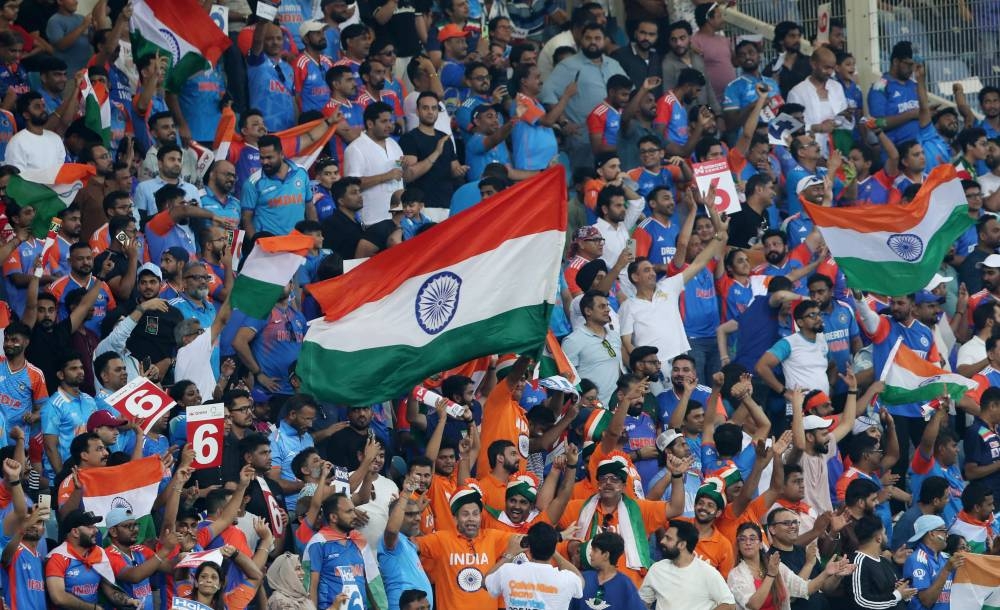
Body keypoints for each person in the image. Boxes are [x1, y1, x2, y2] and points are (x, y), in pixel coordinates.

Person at [727, 522, 853, 610]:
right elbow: (753, 605)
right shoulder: (735, 575)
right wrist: (771, 575)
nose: (747, 543)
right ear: (738, 545)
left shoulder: (777, 566)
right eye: (742, 539)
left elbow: (804, 588)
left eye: (752, 538)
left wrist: (827, 573)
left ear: (761, 544)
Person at [638, 519, 736, 610]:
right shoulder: (657, 569)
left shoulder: (707, 572)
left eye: (668, 538)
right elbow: (643, 602)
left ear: (682, 545)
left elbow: (729, 604)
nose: (662, 541)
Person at [343, 101, 404, 226]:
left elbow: (400, 178)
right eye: (384, 121)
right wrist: (385, 176)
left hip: (396, 218)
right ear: (370, 124)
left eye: (390, 121)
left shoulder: (394, 144)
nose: (389, 125)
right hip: (371, 220)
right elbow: (351, 186)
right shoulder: (355, 149)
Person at [847, 514, 917, 610]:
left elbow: (887, 593)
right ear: (878, 538)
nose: (886, 537)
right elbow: (860, 601)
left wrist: (901, 591)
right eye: (884, 533)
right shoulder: (858, 563)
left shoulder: (884, 561)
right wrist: (897, 595)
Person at [902, 514, 964, 610]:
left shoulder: (945, 558)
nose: (947, 535)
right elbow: (927, 601)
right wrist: (946, 570)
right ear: (932, 534)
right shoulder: (916, 560)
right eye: (944, 531)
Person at [572, 532, 645, 610]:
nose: (590, 554)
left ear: (606, 555)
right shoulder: (584, 578)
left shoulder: (625, 585)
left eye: (595, 550)